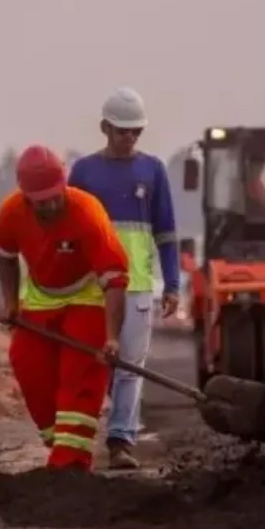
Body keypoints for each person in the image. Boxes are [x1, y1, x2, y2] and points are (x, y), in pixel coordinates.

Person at [0, 145, 130, 472]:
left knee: (80, 373)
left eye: (56, 196)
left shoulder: (87, 213)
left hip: (86, 293)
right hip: (42, 294)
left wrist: (111, 337)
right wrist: (11, 302)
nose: (51, 205)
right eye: (42, 201)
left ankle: (71, 463)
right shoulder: (10, 214)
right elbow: (5, 256)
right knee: (26, 362)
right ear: (26, 197)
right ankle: (61, 443)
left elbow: (114, 281)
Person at [67, 86, 180, 470]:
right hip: (93, 287)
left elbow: (166, 232)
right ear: (105, 128)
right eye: (122, 130)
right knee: (96, 365)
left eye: (135, 131)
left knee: (131, 364)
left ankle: (121, 441)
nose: (129, 137)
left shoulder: (153, 170)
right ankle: (77, 440)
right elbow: (69, 231)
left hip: (137, 286)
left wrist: (173, 284)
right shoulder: (84, 172)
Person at [243, 152, 265, 219]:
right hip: (259, 212)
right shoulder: (252, 182)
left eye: (262, 166)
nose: (262, 169)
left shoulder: (256, 180)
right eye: (260, 166)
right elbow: (260, 201)